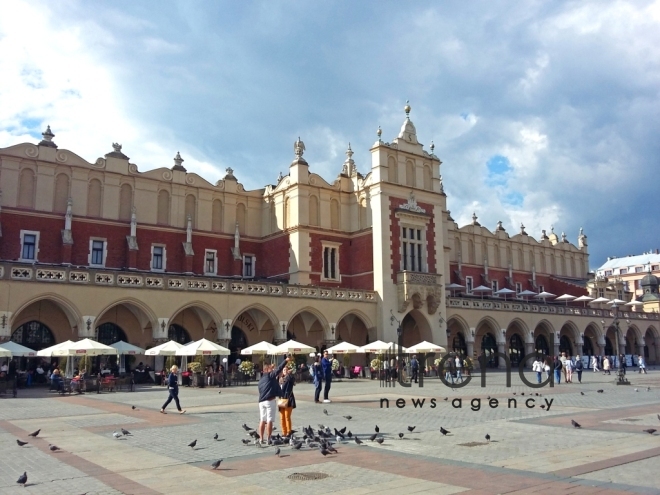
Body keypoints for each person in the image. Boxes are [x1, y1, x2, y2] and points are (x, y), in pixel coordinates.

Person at [258, 356, 291, 445]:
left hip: (261, 402)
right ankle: (268, 438)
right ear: (267, 370)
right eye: (270, 369)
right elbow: (279, 369)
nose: (272, 370)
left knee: (262, 420)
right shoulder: (270, 375)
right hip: (269, 401)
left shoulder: (261, 380)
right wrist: (286, 360)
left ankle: (261, 438)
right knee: (269, 420)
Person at [279, 364, 296, 438]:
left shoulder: (290, 378)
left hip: (288, 399)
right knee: (282, 417)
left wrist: (289, 373)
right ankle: (284, 432)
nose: (285, 371)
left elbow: (292, 379)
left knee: (287, 416)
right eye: (284, 370)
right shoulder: (280, 379)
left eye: (286, 370)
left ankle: (289, 432)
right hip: (281, 399)